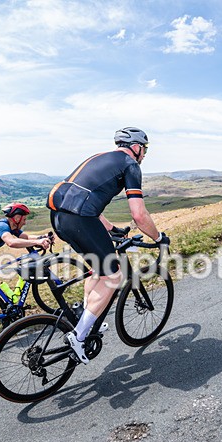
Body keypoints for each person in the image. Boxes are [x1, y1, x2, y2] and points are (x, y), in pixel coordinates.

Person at [47, 127, 168, 364]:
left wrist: (112, 230)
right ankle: (79, 336)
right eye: (144, 149)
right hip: (80, 219)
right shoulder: (130, 164)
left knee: (100, 268)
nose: (144, 154)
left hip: (59, 217)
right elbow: (139, 214)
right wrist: (158, 238)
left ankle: (86, 315)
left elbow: (86, 199)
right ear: (136, 147)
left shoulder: (99, 157)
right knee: (114, 275)